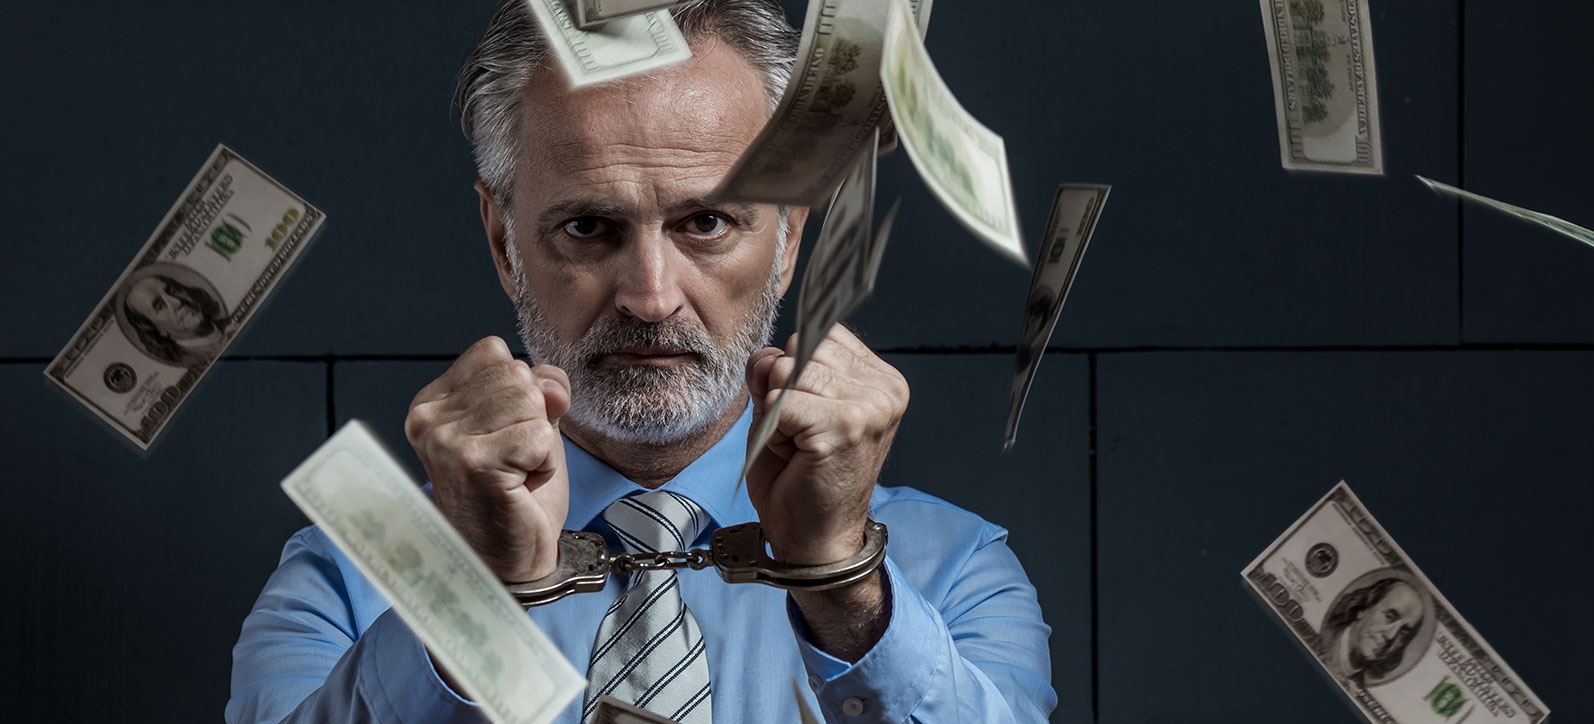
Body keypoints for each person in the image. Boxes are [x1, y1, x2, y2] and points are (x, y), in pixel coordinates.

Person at [226, 1, 1054, 722]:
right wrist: (475, 596)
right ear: (504, 244)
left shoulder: (948, 570)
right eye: (588, 227)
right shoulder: (345, 578)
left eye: (707, 223)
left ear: (790, 238)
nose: (651, 298)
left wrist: (844, 585)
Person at [1321, 576, 1429, 686]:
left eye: (1403, 632)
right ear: (1363, 609)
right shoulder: (1321, 639)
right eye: (1389, 616)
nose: (1391, 636)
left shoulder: (1360, 686)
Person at [118, 266, 228, 366]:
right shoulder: (187, 363)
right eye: (160, 306)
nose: (177, 301)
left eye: (172, 291)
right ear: (158, 330)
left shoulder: (230, 320)